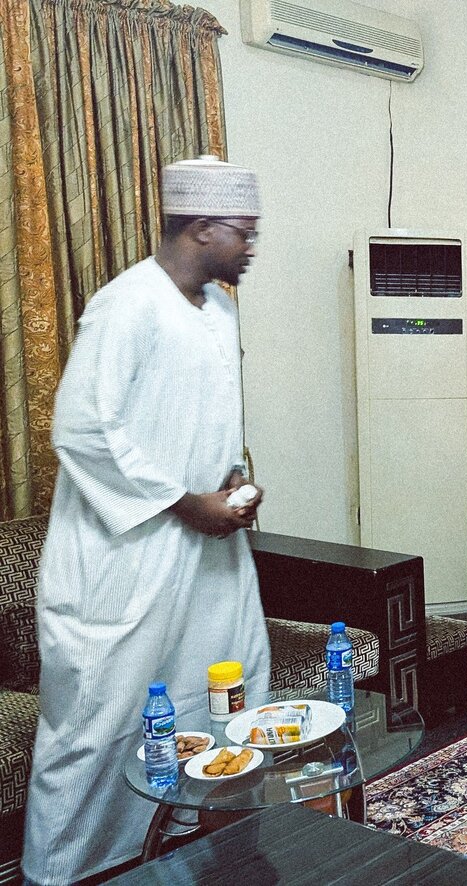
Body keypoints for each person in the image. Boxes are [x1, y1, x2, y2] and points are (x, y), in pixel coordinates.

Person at [23, 156, 271, 885]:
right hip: (122, 557)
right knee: (102, 721)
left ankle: (179, 849)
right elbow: (82, 430)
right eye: (244, 233)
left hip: (207, 559)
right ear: (200, 227)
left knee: (221, 692)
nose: (253, 246)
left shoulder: (219, 309)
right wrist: (185, 502)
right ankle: (66, 870)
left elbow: (202, 421)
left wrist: (229, 480)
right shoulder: (125, 304)